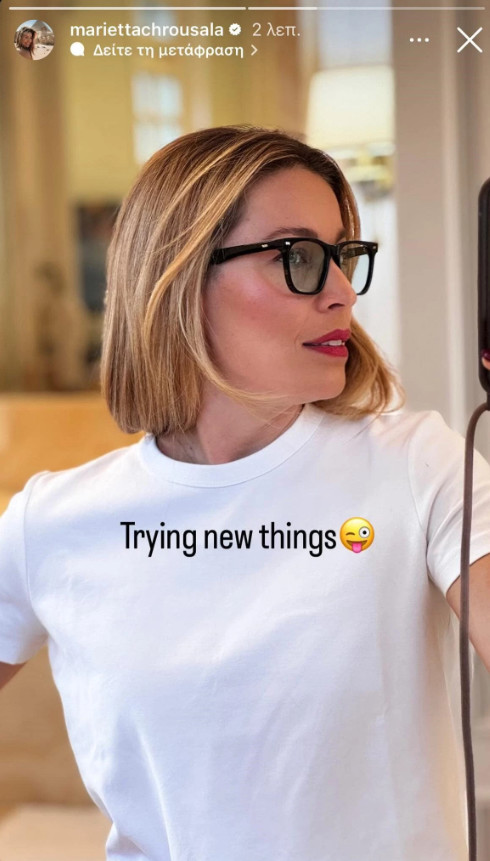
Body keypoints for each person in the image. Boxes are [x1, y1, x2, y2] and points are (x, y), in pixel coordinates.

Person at [1, 125, 490, 861]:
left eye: (342, 256)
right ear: (178, 276)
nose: (341, 293)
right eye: (299, 258)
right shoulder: (50, 521)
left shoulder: (419, 465)